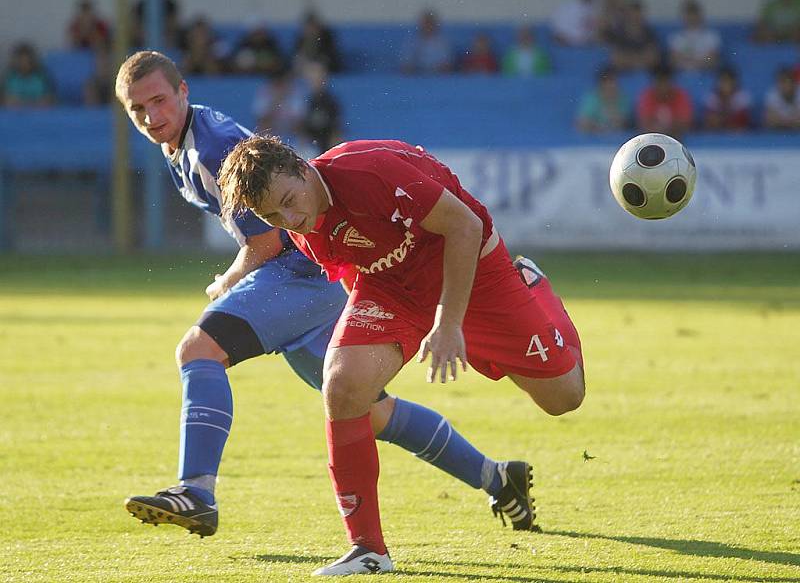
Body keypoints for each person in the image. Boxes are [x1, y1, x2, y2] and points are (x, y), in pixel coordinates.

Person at [114, 50, 538, 542]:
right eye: (138, 110)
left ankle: (196, 491)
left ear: (183, 91)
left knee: (198, 348)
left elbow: (271, 238)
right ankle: (498, 478)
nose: (152, 116)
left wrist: (229, 280)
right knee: (367, 410)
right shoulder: (182, 145)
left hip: (303, 271)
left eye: (159, 101)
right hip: (311, 277)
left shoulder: (212, 146)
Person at [217, 137, 586, 575]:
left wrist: (448, 323)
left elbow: (465, 226)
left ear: (301, 167)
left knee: (564, 398)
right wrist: (362, 347)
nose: (290, 219)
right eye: (271, 216)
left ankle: (534, 287)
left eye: (289, 202)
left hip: (476, 274)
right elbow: (350, 270)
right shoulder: (301, 221)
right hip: (392, 289)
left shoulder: (370, 174)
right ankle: (368, 549)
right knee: (343, 386)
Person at [636, 63, 694, 139]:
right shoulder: (647, 96)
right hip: (652, 139)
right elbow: (644, 124)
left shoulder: (681, 96)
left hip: (678, 139)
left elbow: (684, 124)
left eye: (665, 82)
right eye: (660, 82)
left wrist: (664, 130)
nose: (663, 87)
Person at [606, 0, 661, 72]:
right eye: (632, 13)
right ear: (626, 15)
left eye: (638, 13)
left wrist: (629, 60)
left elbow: (654, 58)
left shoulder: (649, 33)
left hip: (646, 74)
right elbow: (617, 60)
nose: (635, 17)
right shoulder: (619, 34)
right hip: (624, 75)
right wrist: (640, 60)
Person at [668, 0, 721, 72]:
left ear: (700, 16)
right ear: (684, 16)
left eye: (694, 14)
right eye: (689, 15)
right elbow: (674, 59)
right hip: (683, 73)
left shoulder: (711, 36)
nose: (692, 18)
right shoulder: (676, 37)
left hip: (704, 72)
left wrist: (694, 64)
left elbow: (712, 59)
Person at [576, 66, 632, 133]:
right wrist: (599, 129)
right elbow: (582, 123)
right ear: (601, 84)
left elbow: (623, 123)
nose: (612, 85)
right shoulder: (591, 98)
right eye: (608, 82)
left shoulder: (623, 98)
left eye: (614, 82)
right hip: (592, 138)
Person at [400, 10, 454, 74]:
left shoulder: (443, 42)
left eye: (430, 23)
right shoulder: (411, 42)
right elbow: (405, 64)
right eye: (425, 23)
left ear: (435, 25)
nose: (428, 26)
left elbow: (447, 64)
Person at [2, 42, 55, 108]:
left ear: (32, 60)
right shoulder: (9, 77)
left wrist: (36, 103)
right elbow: (5, 99)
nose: (24, 64)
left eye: (27, 60)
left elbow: (49, 99)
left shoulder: (41, 77)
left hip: (38, 115)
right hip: (13, 115)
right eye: (21, 60)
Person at [702, 67, 752, 131]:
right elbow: (710, 119)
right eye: (722, 81)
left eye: (728, 81)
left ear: (734, 82)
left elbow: (742, 120)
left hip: (738, 133)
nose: (725, 85)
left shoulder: (743, 96)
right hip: (716, 132)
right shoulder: (711, 96)